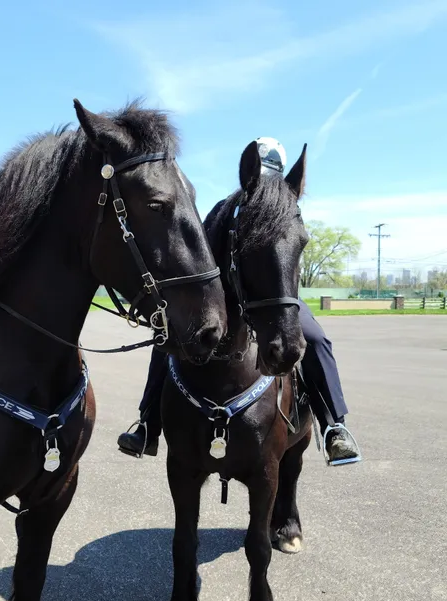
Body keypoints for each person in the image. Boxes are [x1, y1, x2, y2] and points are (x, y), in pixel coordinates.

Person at [116, 137, 361, 466]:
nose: (267, 181)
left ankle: (334, 426)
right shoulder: (224, 208)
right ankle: (148, 423)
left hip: (273, 297)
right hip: (220, 294)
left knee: (315, 339)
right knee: (169, 340)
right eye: (264, 172)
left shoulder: (287, 206)